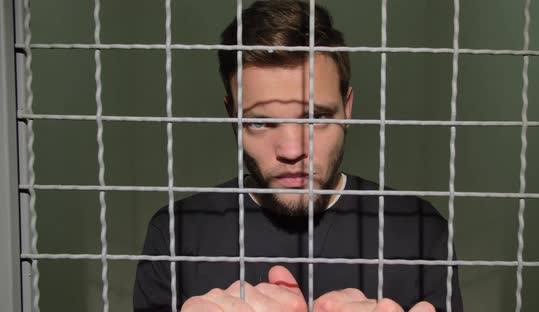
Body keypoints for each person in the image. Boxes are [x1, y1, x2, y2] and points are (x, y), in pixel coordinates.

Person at [133, 1, 463, 311]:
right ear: (232, 115)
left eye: (316, 117)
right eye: (260, 121)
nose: (292, 150)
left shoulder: (419, 230)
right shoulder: (177, 234)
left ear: (347, 107)